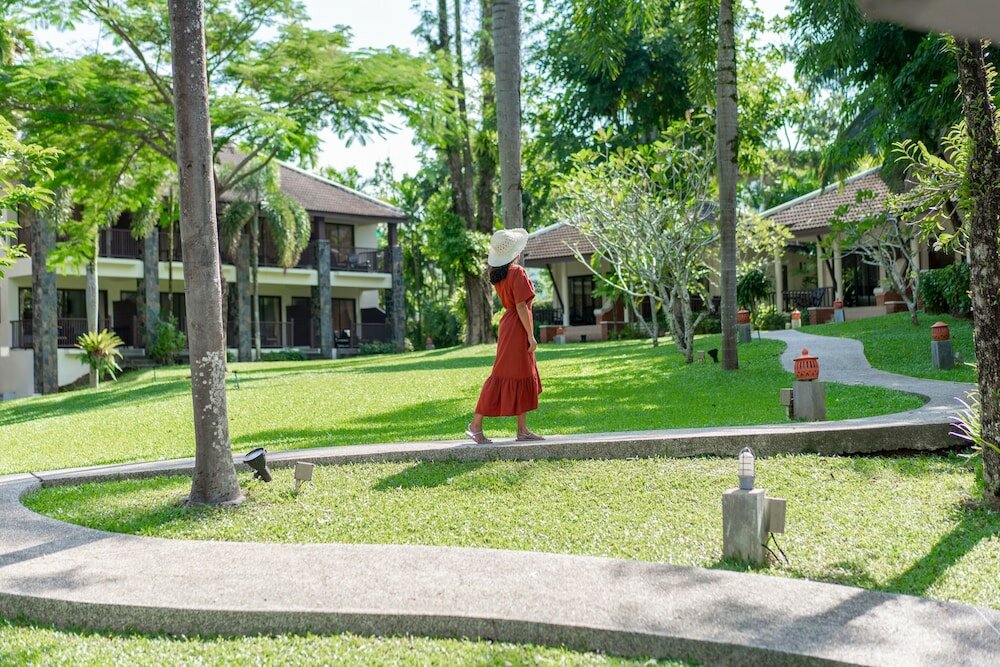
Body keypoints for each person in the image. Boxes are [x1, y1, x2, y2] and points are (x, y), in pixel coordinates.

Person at [466, 229, 544, 444]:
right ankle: (475, 425)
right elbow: (521, 306)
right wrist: (530, 335)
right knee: (503, 375)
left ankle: (522, 430)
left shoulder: (500, 274)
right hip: (517, 328)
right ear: (515, 252)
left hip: (509, 326)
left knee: (520, 375)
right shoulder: (517, 272)